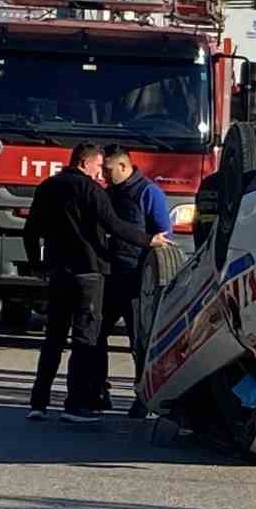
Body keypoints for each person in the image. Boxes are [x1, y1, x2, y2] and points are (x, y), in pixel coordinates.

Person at [24, 143, 167, 424]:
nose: (100, 172)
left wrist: (37, 266)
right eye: (98, 166)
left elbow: (30, 232)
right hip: (89, 275)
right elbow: (115, 225)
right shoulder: (92, 191)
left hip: (57, 275)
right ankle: (75, 405)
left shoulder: (47, 187)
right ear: (84, 163)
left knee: (53, 338)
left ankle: (38, 402)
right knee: (84, 339)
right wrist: (149, 240)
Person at [97, 145, 174, 419]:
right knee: (96, 336)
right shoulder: (107, 193)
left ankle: (143, 397)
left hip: (137, 280)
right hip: (109, 276)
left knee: (139, 341)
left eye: (107, 170)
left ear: (123, 167)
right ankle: (99, 390)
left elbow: (164, 235)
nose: (103, 175)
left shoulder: (148, 192)